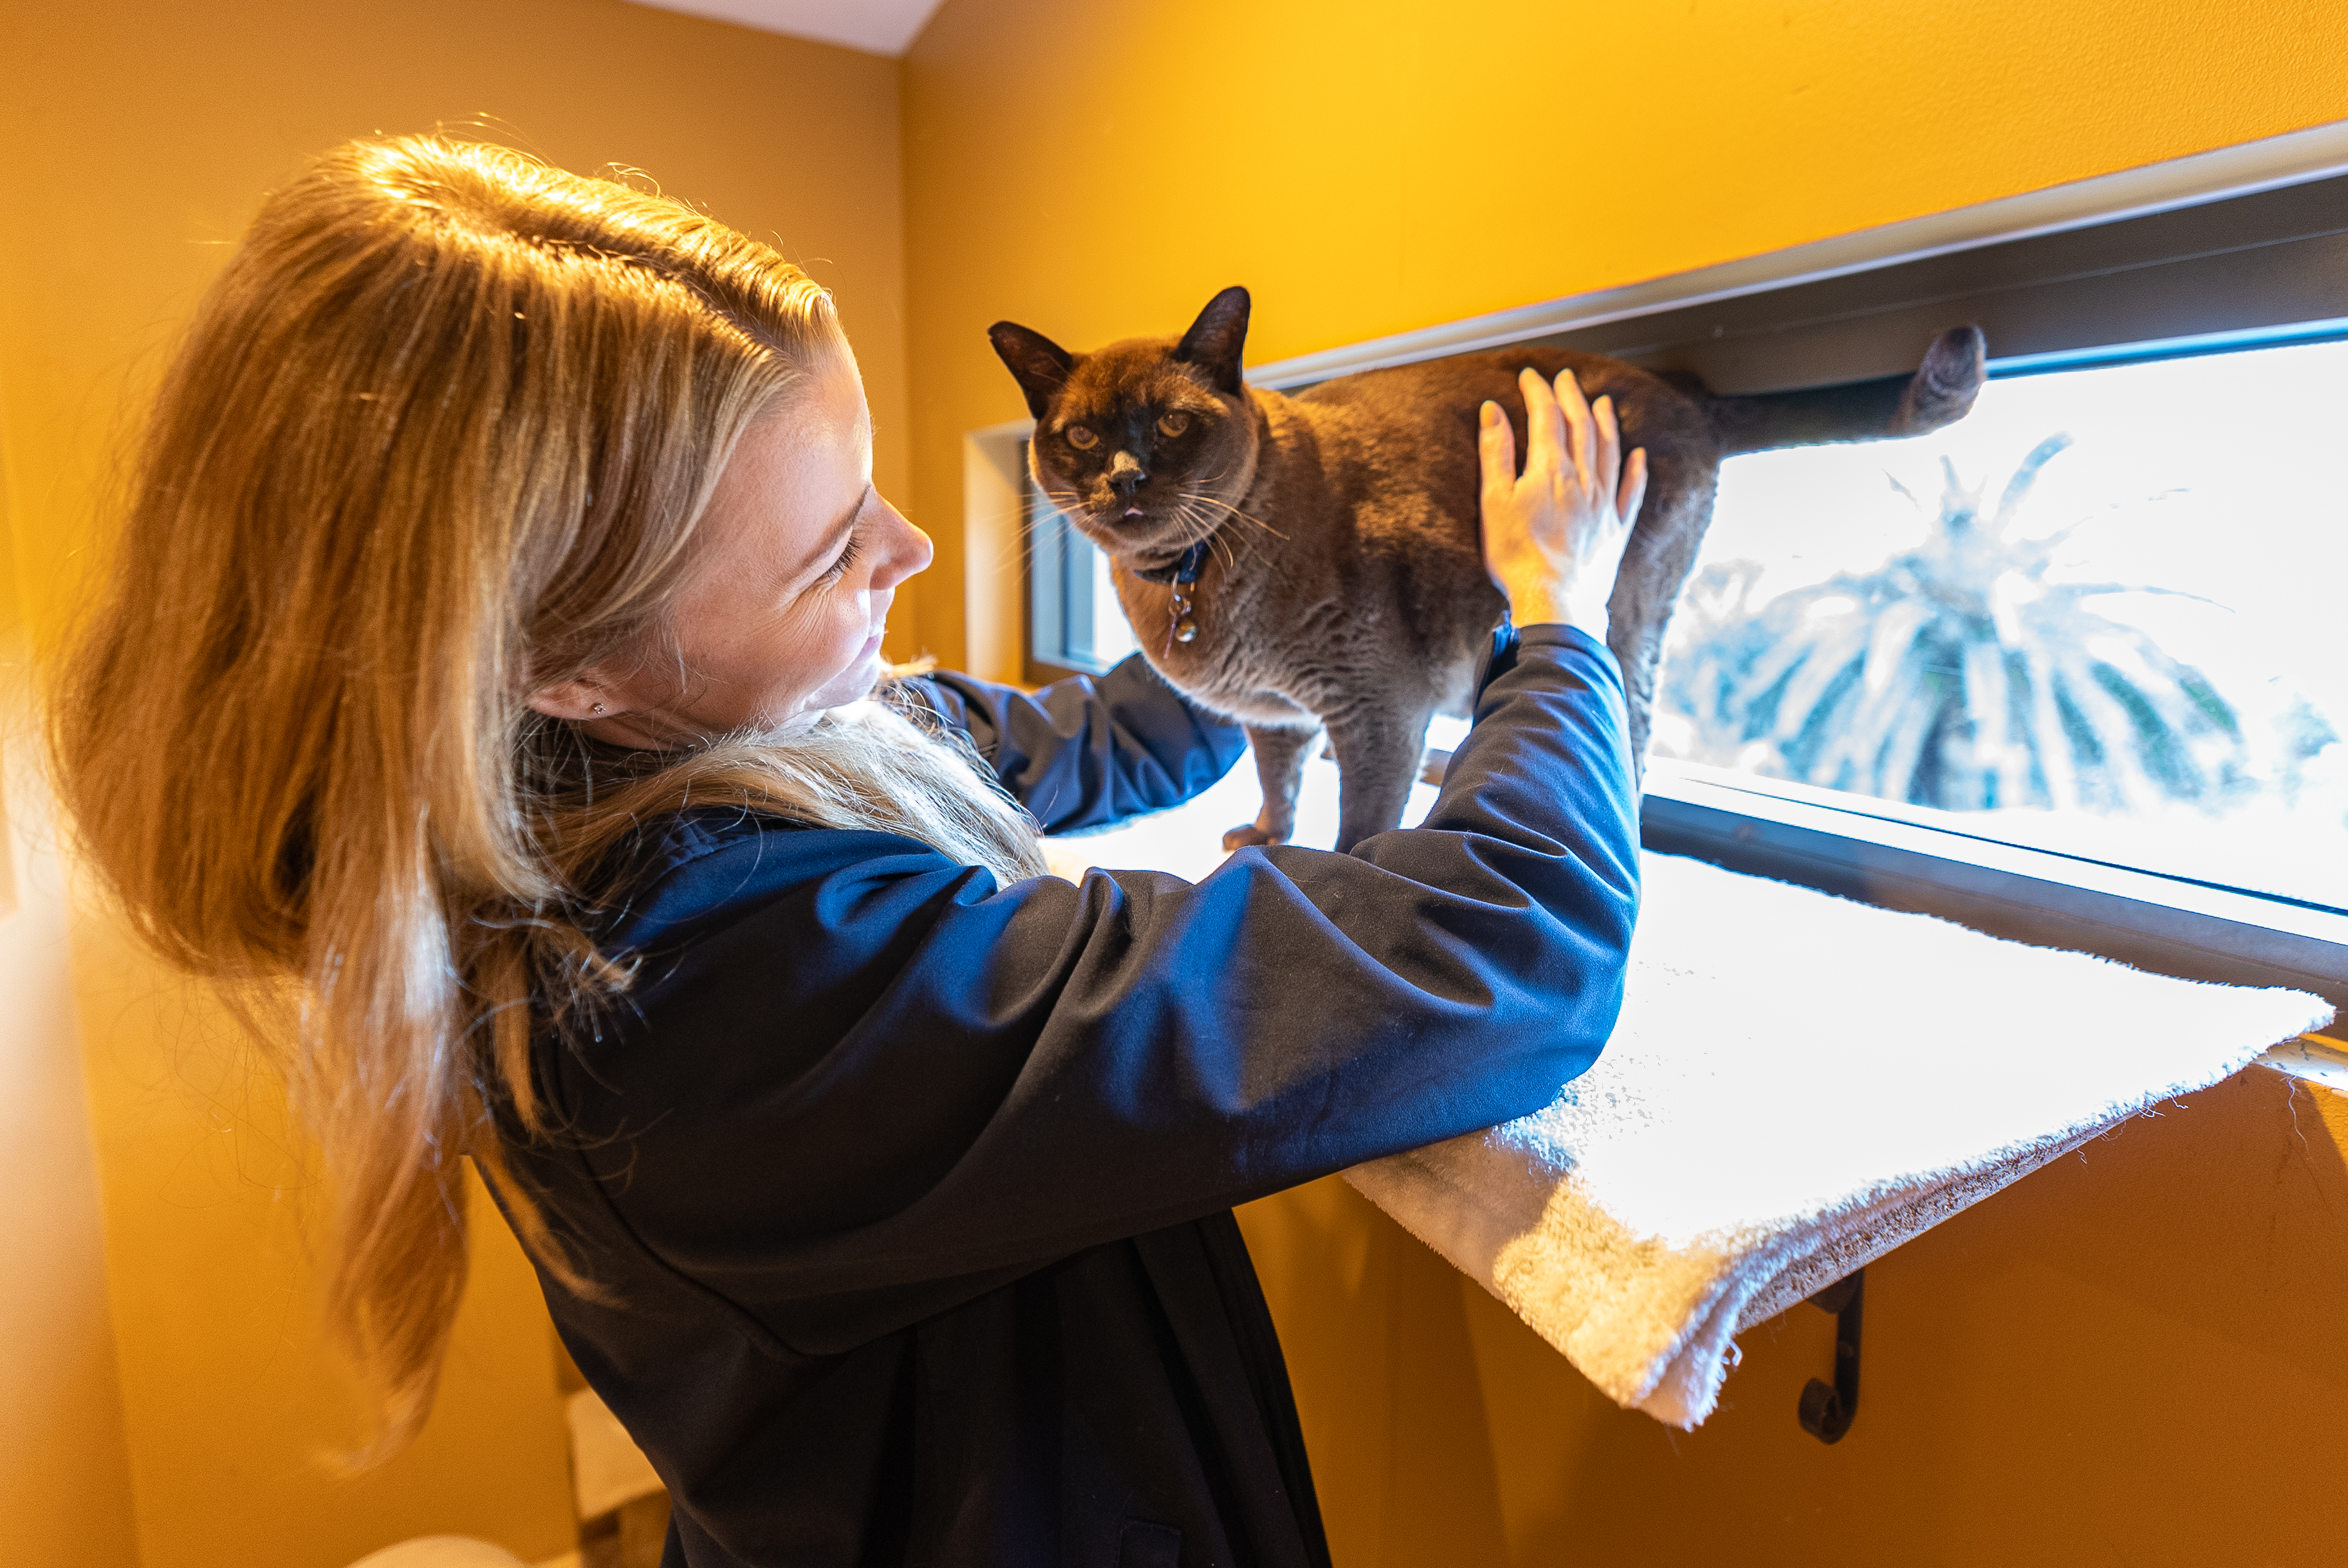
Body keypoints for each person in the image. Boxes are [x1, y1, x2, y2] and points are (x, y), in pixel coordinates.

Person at [51, 136, 1647, 1567]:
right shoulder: (726, 985)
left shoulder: (663, 754)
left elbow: (1096, 742)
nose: (913, 547)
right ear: (568, 663)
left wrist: (1251, 584)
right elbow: (1502, 949)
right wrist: (1557, 620)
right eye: (831, 552)